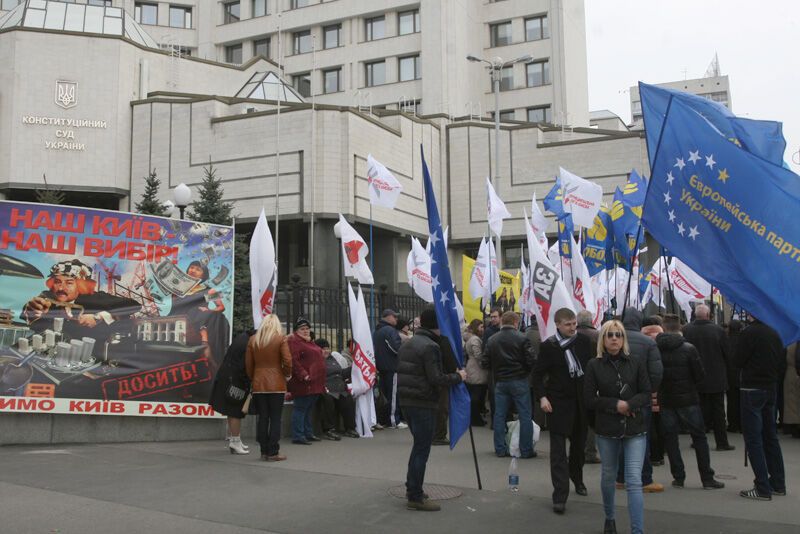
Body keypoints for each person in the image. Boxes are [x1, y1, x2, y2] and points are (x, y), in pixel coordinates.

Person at [584, 320, 651, 534]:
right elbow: (588, 399)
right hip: (607, 429)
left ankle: (637, 530)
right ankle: (609, 518)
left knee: (633, 479)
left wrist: (630, 404)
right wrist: (616, 405)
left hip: (634, 428)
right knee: (608, 476)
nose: (614, 338)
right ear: (603, 339)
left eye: (619, 334)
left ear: (624, 339)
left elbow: (646, 393)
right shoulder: (594, 365)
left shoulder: (636, 362)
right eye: (610, 334)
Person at [396, 308, 466, 511]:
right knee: (421, 449)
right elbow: (436, 378)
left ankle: (413, 488)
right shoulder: (430, 346)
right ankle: (415, 496)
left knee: (418, 447)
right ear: (438, 324)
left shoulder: (409, 343)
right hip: (423, 402)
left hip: (407, 401)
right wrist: (458, 377)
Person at [533, 308, 592, 514]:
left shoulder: (584, 343)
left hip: (581, 403)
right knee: (558, 452)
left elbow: (592, 368)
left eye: (574, 324)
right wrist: (542, 397)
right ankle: (560, 495)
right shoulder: (549, 346)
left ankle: (577, 477)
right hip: (558, 403)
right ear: (557, 324)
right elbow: (537, 375)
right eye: (568, 324)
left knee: (578, 448)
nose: (573, 328)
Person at [656, 314, 725, 490]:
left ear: (663, 327)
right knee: (699, 438)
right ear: (680, 327)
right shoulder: (689, 349)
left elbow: (654, 374)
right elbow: (700, 374)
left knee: (671, 439)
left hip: (667, 399)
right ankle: (707, 478)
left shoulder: (656, 349)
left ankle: (678, 477)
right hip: (688, 399)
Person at [21, 259, 141, 350]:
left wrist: (98, 317)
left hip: (88, 357)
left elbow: (134, 305)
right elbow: (27, 315)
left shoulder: (97, 298)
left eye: (69, 283)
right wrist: (31, 312)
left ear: (81, 285)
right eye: (57, 282)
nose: (61, 288)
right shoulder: (47, 296)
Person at [735, 315, 786, 500]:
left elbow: (738, 360)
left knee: (753, 438)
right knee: (770, 436)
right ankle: (778, 483)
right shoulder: (775, 332)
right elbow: (782, 361)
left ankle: (762, 487)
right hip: (770, 387)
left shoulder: (749, 333)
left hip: (752, 387)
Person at [618, 307, 664, 493]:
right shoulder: (647, 343)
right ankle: (644, 478)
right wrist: (650, 391)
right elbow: (656, 372)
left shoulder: (612, 338)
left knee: (620, 436)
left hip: (617, 397)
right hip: (640, 398)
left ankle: (620, 477)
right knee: (640, 437)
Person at [483, 311, 536, 458]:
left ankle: (500, 449)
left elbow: (485, 362)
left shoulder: (492, 339)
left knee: (499, 415)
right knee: (524, 415)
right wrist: (524, 371)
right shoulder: (522, 338)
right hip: (519, 379)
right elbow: (531, 361)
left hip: (500, 381)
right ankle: (526, 450)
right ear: (515, 322)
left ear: (502, 322)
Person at [682, 304, 734, 451]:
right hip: (716, 377)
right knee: (718, 412)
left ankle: (697, 440)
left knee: (697, 411)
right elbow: (727, 353)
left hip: (694, 378)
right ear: (708, 314)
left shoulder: (686, 330)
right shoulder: (718, 330)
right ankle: (722, 442)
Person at [245, 314, 292, 461]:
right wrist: (287, 374)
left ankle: (264, 450)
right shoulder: (280, 338)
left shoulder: (253, 340)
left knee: (263, 417)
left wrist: (254, 377)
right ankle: (273, 451)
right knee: (275, 418)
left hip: (259, 383)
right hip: (277, 383)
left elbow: (248, 365)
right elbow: (288, 361)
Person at [169, 260, 230, 371]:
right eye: (192, 267)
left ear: (204, 274)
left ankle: (205, 344)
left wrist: (209, 311)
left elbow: (221, 307)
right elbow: (175, 306)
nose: (193, 270)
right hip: (179, 319)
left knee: (197, 311)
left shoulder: (208, 290)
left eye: (198, 269)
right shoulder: (178, 288)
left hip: (198, 320)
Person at [209, 327, 255, 455]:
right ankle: (235, 442)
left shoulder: (243, 338)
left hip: (228, 378)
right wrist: (248, 381)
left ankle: (236, 440)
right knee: (235, 412)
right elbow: (244, 366)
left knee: (232, 411)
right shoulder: (248, 343)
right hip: (235, 380)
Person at [287, 318, 326, 445]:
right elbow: (294, 361)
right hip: (304, 381)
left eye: (307, 329)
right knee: (301, 408)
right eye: (302, 329)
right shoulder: (294, 342)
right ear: (296, 331)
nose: (305, 331)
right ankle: (298, 435)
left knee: (308, 408)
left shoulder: (310, 342)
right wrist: (304, 374)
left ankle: (308, 433)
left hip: (314, 381)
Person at [315, 338, 359, 440]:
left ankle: (350, 428)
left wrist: (353, 368)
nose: (326, 351)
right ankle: (329, 429)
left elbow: (341, 373)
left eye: (327, 348)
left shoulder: (332, 358)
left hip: (339, 387)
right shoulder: (315, 360)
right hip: (325, 388)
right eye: (323, 349)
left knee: (348, 400)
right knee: (328, 400)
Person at [373, 309, 407, 429]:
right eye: (394, 317)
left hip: (381, 367)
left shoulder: (377, 330)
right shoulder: (390, 330)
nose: (396, 319)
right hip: (392, 367)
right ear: (387, 317)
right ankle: (394, 421)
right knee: (393, 395)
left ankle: (385, 419)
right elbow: (396, 348)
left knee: (385, 396)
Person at [640, 315, 665, 467]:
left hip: (644, 390)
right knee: (660, 424)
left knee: (647, 427)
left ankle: (647, 454)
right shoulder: (662, 341)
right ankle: (658, 455)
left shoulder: (639, 341)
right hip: (661, 389)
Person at [577, 310, 600, 464]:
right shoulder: (598, 335)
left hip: (575, 379)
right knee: (591, 417)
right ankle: (590, 451)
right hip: (594, 379)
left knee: (578, 416)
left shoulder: (572, 335)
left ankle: (577, 450)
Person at [464, 319, 489, 426]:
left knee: (473, 395)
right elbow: (478, 354)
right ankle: (475, 419)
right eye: (481, 327)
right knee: (476, 395)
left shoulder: (471, 338)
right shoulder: (475, 339)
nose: (482, 329)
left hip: (471, 366)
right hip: (476, 368)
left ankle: (473, 417)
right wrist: (484, 363)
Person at [725, 320, 745, 432]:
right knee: (742, 401)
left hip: (729, 374)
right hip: (741, 374)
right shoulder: (744, 341)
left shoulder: (726, 340)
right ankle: (742, 423)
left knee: (732, 400)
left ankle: (733, 424)